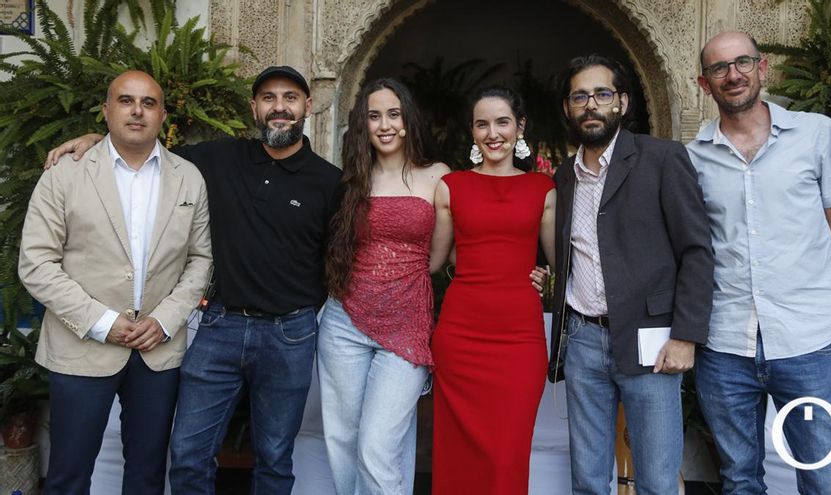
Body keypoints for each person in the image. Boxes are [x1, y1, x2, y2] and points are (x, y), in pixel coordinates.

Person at [44, 65, 341, 494]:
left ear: (307, 107)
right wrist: (94, 142)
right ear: (254, 106)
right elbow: (139, 146)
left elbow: (341, 257)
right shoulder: (216, 159)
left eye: (290, 98)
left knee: (275, 457)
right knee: (187, 455)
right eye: (269, 98)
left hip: (289, 335)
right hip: (220, 327)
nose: (280, 107)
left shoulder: (331, 181)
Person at [687, 32, 831, 494]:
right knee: (740, 479)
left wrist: (807, 291)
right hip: (724, 344)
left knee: (826, 475)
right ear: (704, 84)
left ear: (762, 68)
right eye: (719, 68)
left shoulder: (817, 133)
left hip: (806, 342)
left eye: (743, 62)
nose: (733, 74)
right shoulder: (692, 158)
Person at [18, 70, 212, 495]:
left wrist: (164, 321)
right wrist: (102, 321)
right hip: (81, 346)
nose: (137, 111)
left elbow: (200, 260)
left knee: (146, 477)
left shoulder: (189, 178)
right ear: (106, 111)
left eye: (148, 103)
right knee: (68, 475)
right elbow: (35, 262)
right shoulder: (65, 174)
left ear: (163, 115)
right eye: (126, 101)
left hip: (156, 352)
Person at [547, 54, 714, 495]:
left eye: (602, 94)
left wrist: (686, 335)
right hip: (582, 340)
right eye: (579, 96)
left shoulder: (661, 159)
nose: (591, 105)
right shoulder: (565, 177)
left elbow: (697, 249)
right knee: (587, 479)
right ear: (567, 107)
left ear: (621, 102)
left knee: (658, 480)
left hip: (652, 341)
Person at [318, 78, 449, 494]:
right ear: (363, 125)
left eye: (393, 114)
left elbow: (439, 258)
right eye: (374, 116)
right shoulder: (352, 181)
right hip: (344, 322)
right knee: (343, 438)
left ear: (408, 120)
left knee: (378, 443)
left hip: (406, 327)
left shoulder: (438, 177)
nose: (385, 124)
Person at [430, 86, 556, 495]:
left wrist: (545, 275)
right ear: (472, 131)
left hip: (520, 339)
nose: (492, 133)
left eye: (502, 122)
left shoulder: (543, 189)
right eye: (482, 124)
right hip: (461, 334)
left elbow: (562, 265)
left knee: (508, 455)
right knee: (456, 453)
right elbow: (438, 260)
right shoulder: (451, 186)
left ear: (519, 127)